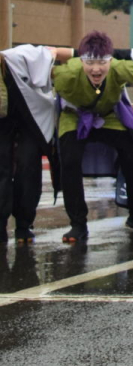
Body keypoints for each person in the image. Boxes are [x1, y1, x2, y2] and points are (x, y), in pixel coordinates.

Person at [54, 32, 133, 243]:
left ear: (111, 60)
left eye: (102, 62)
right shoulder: (66, 74)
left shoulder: (120, 68)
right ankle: (78, 224)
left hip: (109, 116)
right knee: (69, 161)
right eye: (89, 62)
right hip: (75, 115)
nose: (96, 69)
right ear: (81, 60)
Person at [0, 44, 70, 243]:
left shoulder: (18, 57)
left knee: (28, 168)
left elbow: (46, 57)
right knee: (1, 171)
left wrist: (53, 54)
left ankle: (24, 223)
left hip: (30, 122)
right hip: (3, 123)